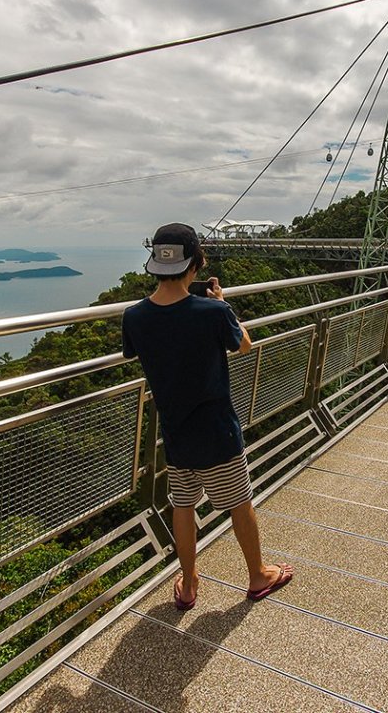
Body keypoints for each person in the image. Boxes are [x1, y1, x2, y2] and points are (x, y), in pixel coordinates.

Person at [122, 223, 293, 609]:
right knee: (239, 503)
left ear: (154, 265)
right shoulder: (214, 311)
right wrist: (223, 303)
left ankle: (190, 580)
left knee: (182, 505)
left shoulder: (134, 316)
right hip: (217, 432)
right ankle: (257, 575)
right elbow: (244, 346)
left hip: (175, 433)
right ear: (196, 264)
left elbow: (134, 352)